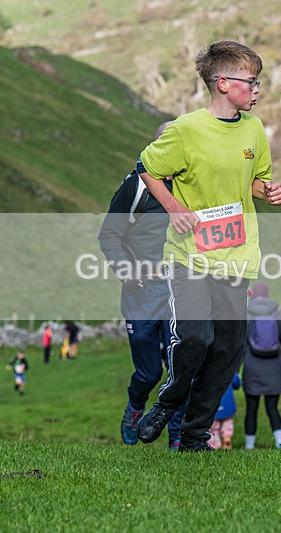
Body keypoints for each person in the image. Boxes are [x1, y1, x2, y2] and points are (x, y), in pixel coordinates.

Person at [135, 40, 281, 452]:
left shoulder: (253, 130)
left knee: (228, 349)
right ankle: (168, 403)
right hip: (190, 255)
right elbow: (147, 168)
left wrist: (267, 191)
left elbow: (253, 182)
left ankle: (194, 436)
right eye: (251, 81)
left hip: (236, 255)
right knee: (197, 337)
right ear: (222, 83)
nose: (257, 89)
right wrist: (174, 207)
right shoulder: (185, 130)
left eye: (258, 81)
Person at [98, 120, 187, 450]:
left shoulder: (192, 184)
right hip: (142, 291)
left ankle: (178, 436)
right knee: (149, 374)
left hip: (181, 288)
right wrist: (127, 271)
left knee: (181, 366)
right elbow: (109, 234)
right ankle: (136, 407)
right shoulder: (135, 187)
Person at [242, 282, 281, 450]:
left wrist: (239, 366)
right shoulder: (278, 313)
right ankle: (280, 442)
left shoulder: (246, 314)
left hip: (252, 366)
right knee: (272, 408)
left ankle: (249, 445)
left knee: (251, 409)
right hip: (275, 367)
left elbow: (239, 343)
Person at [209, 373, 241, 450]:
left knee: (213, 429)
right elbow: (237, 383)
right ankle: (227, 438)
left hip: (213, 406)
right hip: (228, 406)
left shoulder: (208, 370)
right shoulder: (230, 370)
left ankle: (214, 445)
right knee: (227, 424)